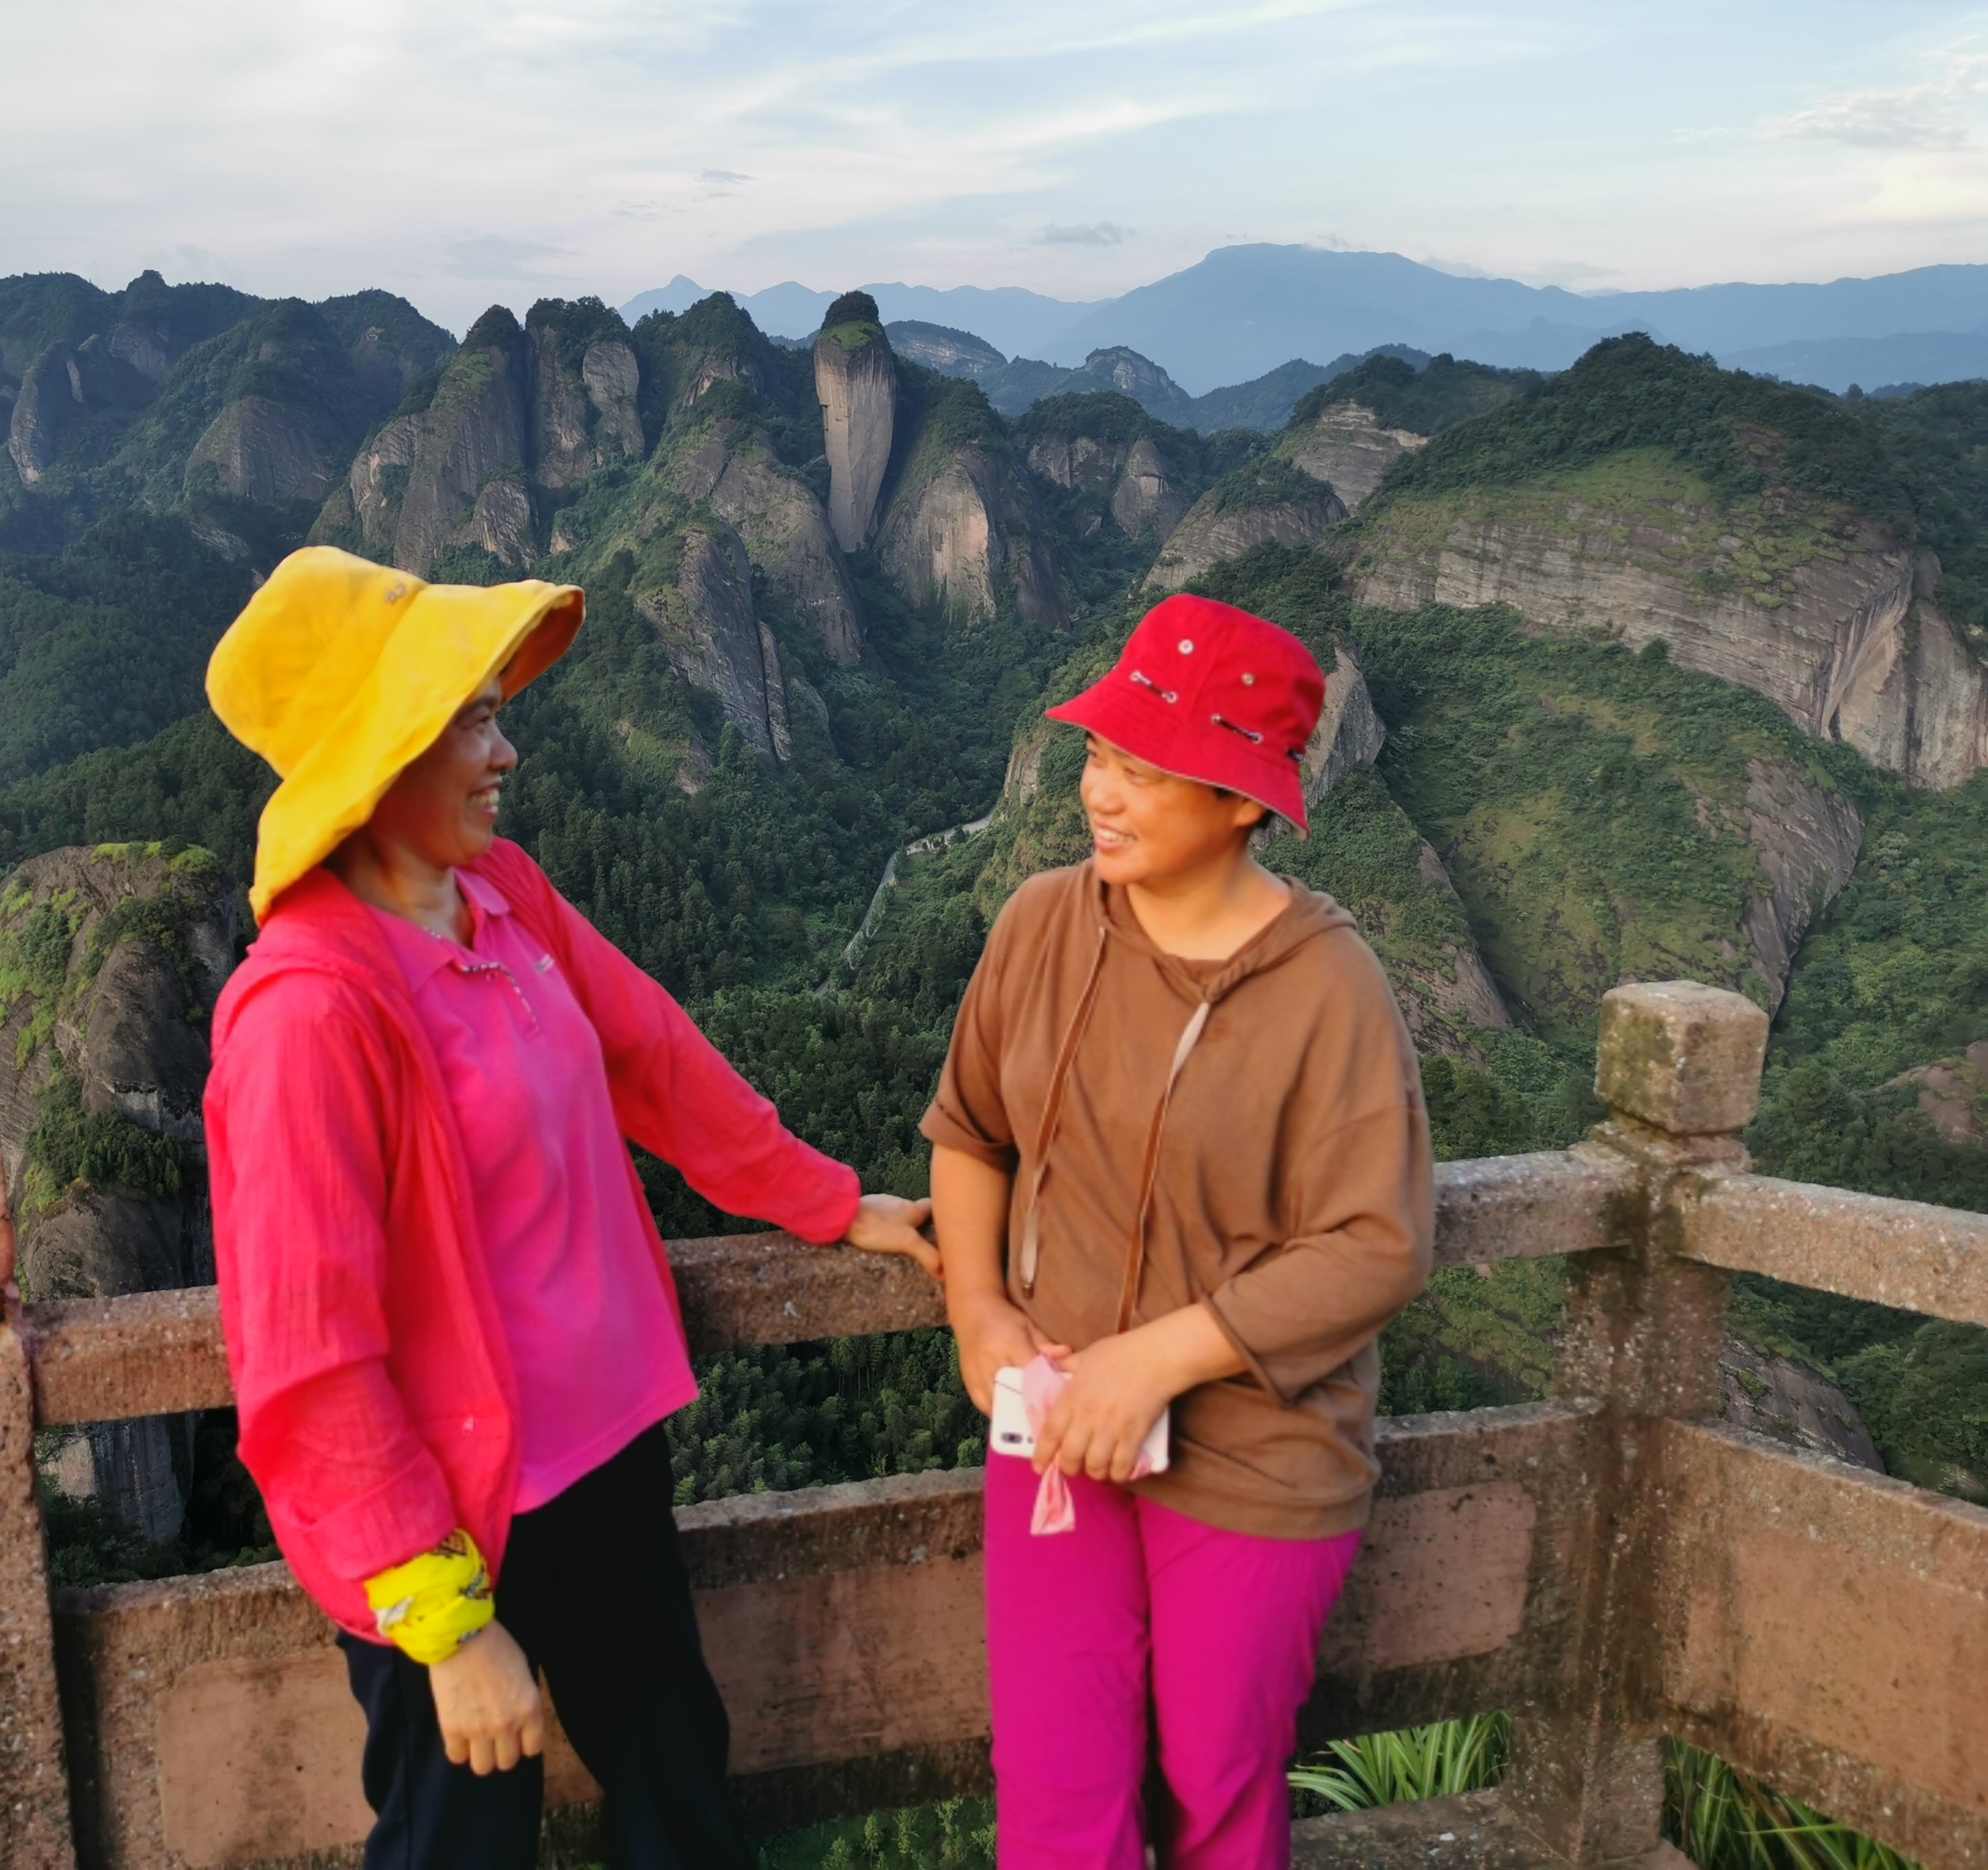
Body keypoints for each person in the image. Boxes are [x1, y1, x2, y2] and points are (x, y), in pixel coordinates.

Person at [200, 547, 937, 1870]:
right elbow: (310, 1364)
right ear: (383, 751)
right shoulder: (308, 1015)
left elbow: (653, 1056)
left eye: (496, 715)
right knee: (461, 1845)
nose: (507, 752)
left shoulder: (504, 894)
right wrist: (449, 1629)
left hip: (603, 1462)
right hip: (451, 1524)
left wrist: (828, 1201)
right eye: (473, 722)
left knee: (680, 1800)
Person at [922, 593, 1434, 1870]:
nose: (1102, 794)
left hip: (1255, 1450)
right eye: (1102, 755)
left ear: (1244, 803)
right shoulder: (1042, 923)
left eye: (1147, 773)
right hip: (1057, 1425)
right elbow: (970, 1131)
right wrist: (978, 1311)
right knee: (1056, 1786)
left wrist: (1159, 1359)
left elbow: (1376, 1242)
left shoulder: (1329, 988)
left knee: (1215, 1787)